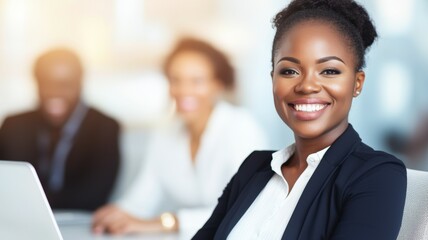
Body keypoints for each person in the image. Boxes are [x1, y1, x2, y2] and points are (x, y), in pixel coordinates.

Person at [193, 0, 407, 239]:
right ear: (273, 78)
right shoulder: (253, 168)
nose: (306, 85)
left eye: (329, 71)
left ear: (357, 83)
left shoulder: (376, 175)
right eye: (289, 71)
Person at [91, 38, 268, 237]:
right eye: (176, 80)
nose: (184, 90)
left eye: (196, 81)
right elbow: (142, 198)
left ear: (217, 85)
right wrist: (115, 214)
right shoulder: (166, 132)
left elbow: (242, 206)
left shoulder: (240, 127)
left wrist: (166, 222)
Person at [0, 48, 120, 211]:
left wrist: (29, 200)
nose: (55, 91)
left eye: (65, 84)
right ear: (36, 82)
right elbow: (5, 186)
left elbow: (94, 195)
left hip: (80, 227)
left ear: (80, 83)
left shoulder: (105, 128)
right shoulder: (13, 126)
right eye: (46, 82)